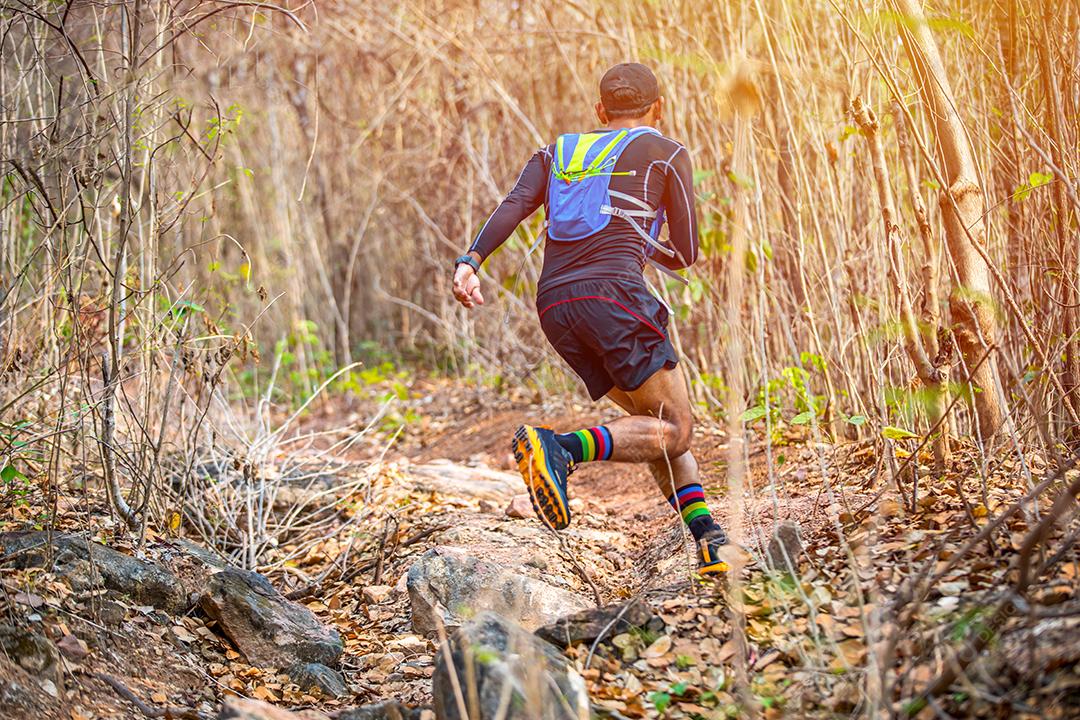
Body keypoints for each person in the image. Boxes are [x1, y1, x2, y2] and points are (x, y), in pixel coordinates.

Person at [450, 63, 729, 574]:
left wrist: (471, 260)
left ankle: (710, 541)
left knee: (656, 424)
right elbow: (686, 251)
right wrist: (646, 243)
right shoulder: (666, 152)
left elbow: (515, 204)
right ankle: (560, 448)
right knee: (678, 429)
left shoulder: (558, 151)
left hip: (556, 305)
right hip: (616, 298)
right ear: (657, 110)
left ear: (600, 113)